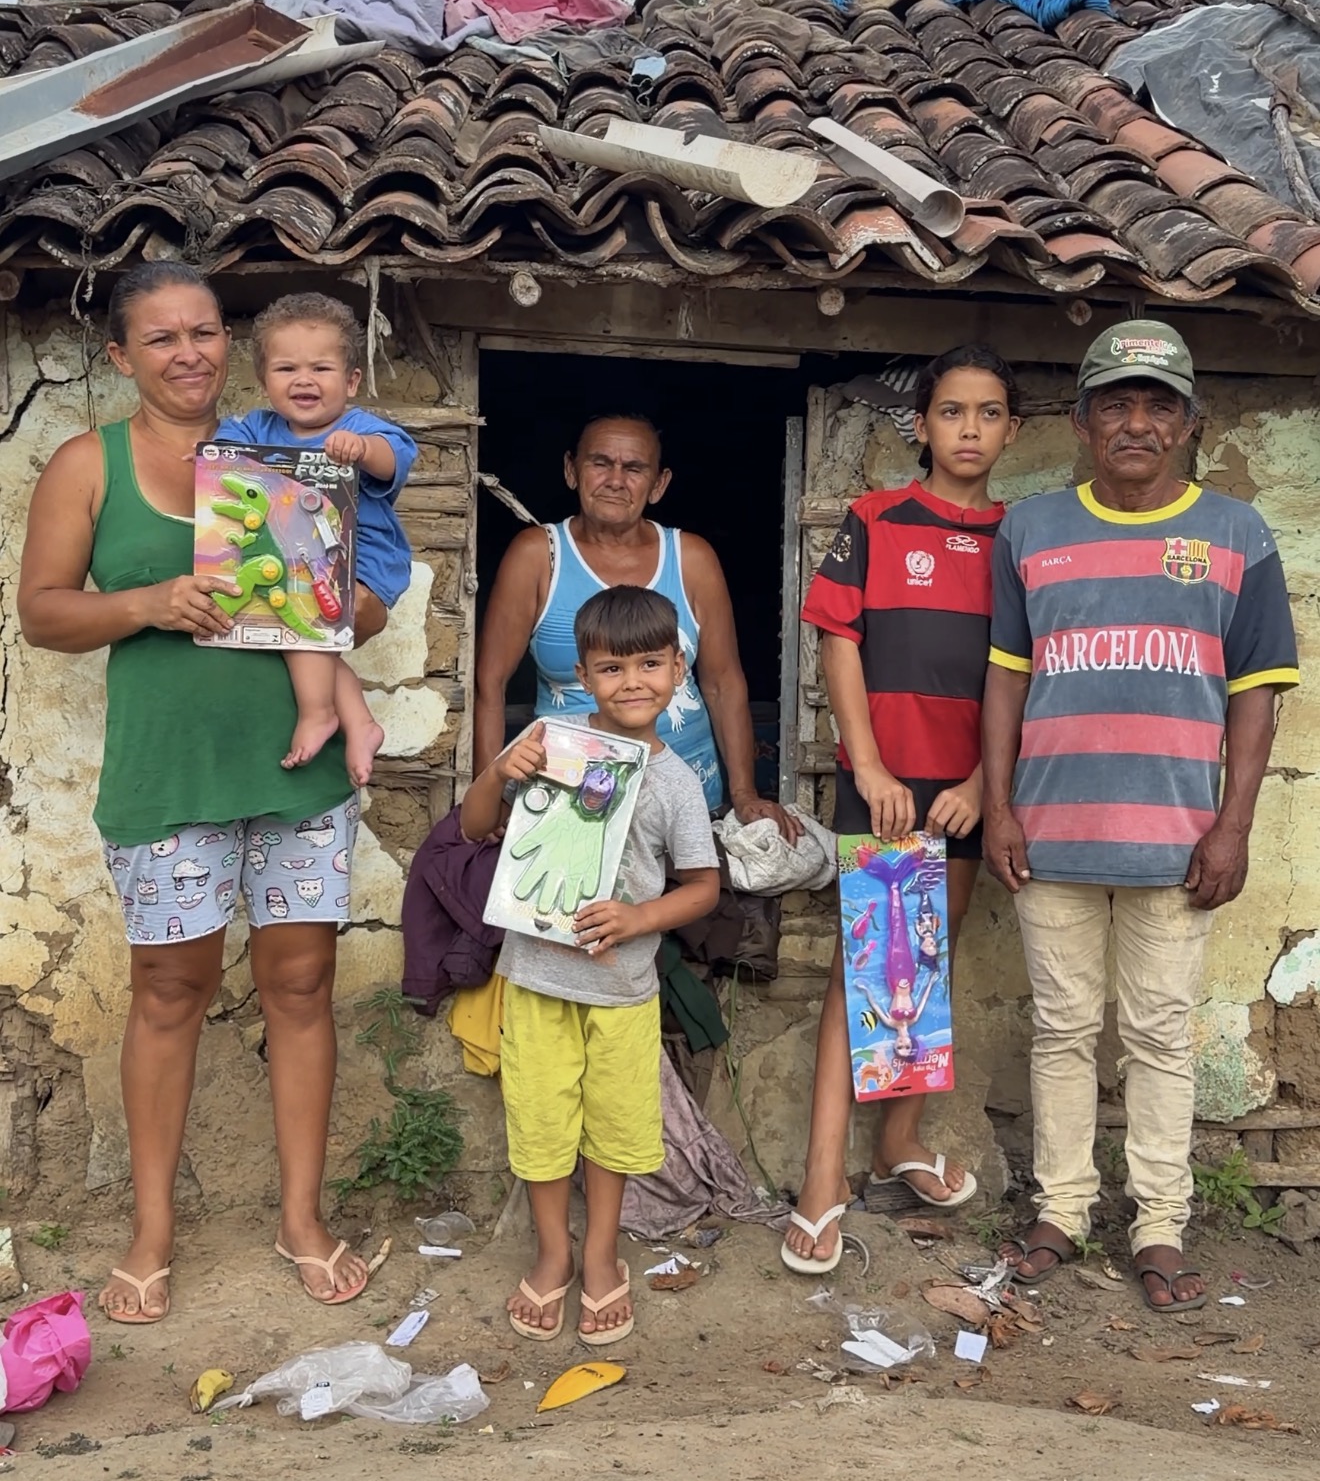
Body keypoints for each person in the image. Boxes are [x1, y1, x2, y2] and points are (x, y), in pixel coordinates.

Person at [17, 261, 370, 1320]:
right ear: (121, 356)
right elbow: (42, 613)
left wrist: (340, 603)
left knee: (302, 987)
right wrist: (153, 599)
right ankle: (152, 1227)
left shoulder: (288, 452)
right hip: (168, 772)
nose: (190, 353)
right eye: (162, 337)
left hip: (295, 771)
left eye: (207, 332)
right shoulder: (91, 464)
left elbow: (348, 605)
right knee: (168, 994)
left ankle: (301, 1217)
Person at [981, 320, 1298, 1311]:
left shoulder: (1238, 534)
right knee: (1064, 1028)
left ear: (1190, 423)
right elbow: (1005, 681)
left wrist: (1235, 822)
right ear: (1081, 422)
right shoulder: (1029, 528)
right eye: (1115, 402)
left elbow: (1258, 691)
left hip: (1178, 842)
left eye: (1158, 405)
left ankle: (1159, 1222)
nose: (1136, 422)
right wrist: (998, 805)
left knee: (1161, 1035)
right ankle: (1062, 1208)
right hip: (1050, 831)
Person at [783, 346, 1023, 1272]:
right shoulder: (877, 520)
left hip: (966, 789)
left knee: (926, 962)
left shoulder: (1022, 542)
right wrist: (873, 766)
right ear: (919, 426)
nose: (970, 429)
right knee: (865, 970)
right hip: (884, 783)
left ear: (1011, 427)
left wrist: (981, 788)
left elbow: (1027, 675)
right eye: (952, 411)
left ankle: (898, 1145)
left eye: (990, 412)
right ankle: (819, 1181)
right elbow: (840, 641)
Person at [461, 585, 719, 1343]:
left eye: (650, 663)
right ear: (580, 674)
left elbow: (703, 888)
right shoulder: (554, 742)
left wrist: (640, 917)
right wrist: (502, 769)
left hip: (622, 990)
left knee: (612, 1129)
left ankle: (602, 1254)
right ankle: (554, 1253)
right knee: (542, 1123)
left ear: (680, 667)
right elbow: (477, 824)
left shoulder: (674, 781)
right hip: (538, 979)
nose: (632, 681)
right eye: (611, 668)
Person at [474, 413, 797, 837]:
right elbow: (490, 683)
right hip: (568, 794)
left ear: (658, 484)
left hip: (685, 793)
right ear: (572, 470)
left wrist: (744, 794)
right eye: (600, 463)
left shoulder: (691, 559)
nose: (615, 480)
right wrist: (488, 791)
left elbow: (723, 683)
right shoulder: (539, 556)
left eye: (634, 468)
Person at [220, 293, 418, 787]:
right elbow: (221, 447)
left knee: (303, 619)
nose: (303, 379)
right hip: (297, 557)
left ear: (350, 381)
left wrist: (363, 450)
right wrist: (210, 460)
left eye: (321, 369)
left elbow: (395, 457)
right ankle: (360, 722)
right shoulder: (257, 428)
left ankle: (317, 713)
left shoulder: (358, 427)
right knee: (302, 634)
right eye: (286, 368)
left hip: (359, 560)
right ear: (264, 380)